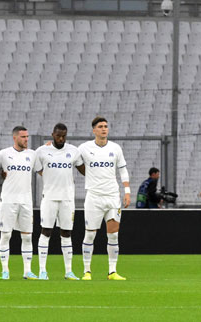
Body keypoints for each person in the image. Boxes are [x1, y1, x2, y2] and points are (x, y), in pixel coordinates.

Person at [76, 116, 130, 281]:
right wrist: (51, 147)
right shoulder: (84, 148)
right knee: (90, 235)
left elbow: (122, 170)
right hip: (94, 197)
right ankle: (87, 271)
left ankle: (112, 271)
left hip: (113, 196)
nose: (104, 129)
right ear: (94, 130)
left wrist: (127, 191)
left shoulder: (115, 148)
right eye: (100, 126)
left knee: (113, 235)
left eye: (106, 126)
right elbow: (72, 158)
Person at [34, 123, 81, 280]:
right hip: (49, 197)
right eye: (58, 135)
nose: (61, 138)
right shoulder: (41, 151)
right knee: (46, 231)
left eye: (64, 136)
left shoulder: (73, 151)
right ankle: (42, 271)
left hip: (67, 198)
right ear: (52, 134)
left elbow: (83, 169)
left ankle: (68, 271)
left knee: (66, 233)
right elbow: (37, 169)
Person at [0, 125, 37, 280]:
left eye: (27, 137)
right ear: (15, 137)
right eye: (23, 137)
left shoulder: (32, 155)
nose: (26, 139)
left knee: (27, 237)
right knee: (5, 235)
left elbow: (42, 169)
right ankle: (5, 270)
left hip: (26, 201)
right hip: (8, 200)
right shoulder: (4, 154)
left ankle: (27, 271)